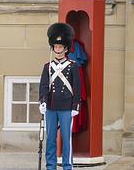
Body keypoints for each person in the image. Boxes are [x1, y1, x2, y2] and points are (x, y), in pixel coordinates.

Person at [39, 23, 81, 170]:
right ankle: (50, 166)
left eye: (60, 47)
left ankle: (67, 166)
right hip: (51, 107)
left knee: (66, 139)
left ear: (66, 49)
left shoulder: (73, 66)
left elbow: (77, 88)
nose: (57, 50)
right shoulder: (47, 66)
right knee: (50, 139)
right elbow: (44, 85)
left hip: (66, 108)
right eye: (55, 47)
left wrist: (75, 106)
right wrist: (42, 101)